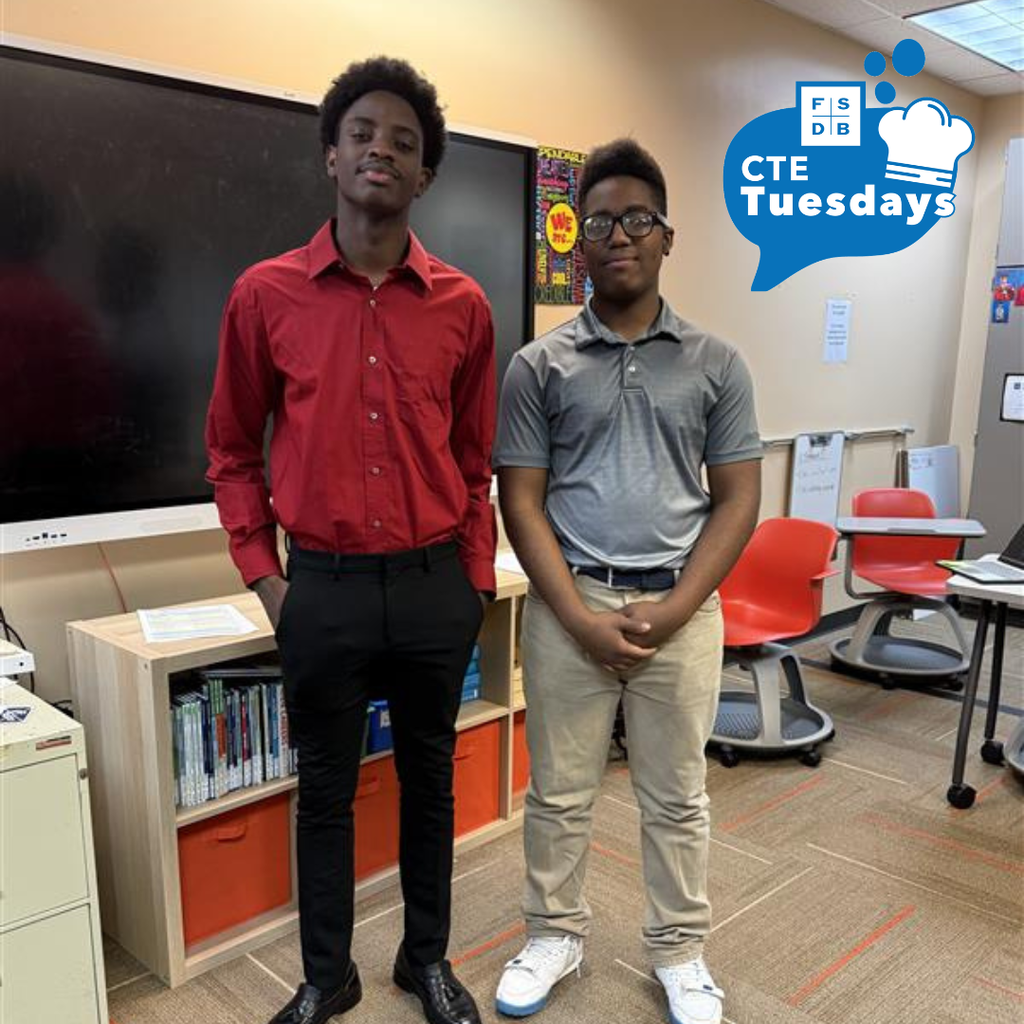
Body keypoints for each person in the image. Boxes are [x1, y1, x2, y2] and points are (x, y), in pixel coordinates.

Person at [206, 57, 496, 1024]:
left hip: (429, 589)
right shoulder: (264, 296)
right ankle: (327, 977)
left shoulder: (464, 306)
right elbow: (231, 449)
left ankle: (427, 962)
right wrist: (266, 579)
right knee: (325, 792)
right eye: (364, 133)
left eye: (405, 143)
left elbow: (473, 456)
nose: (382, 149)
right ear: (332, 155)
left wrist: (472, 581)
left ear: (426, 177)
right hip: (319, 590)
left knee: (428, 787)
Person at [492, 139, 762, 1024]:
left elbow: (738, 500)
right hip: (571, 603)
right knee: (558, 792)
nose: (618, 235)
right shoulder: (539, 365)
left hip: (681, 606)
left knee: (677, 797)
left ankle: (680, 951)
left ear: (665, 238)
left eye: (636, 219)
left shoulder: (718, 364)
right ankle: (554, 933)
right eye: (599, 221)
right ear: (578, 242)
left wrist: (677, 607)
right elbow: (521, 500)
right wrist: (574, 615)